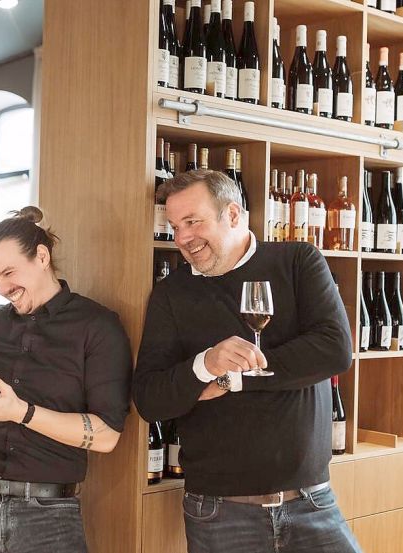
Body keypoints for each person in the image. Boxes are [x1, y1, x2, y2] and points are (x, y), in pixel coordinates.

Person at [132, 170, 361, 552]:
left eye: (193, 222)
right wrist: (205, 363)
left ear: (233, 215)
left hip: (311, 501)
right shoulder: (171, 294)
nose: (183, 238)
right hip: (219, 512)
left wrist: (228, 382)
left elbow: (334, 349)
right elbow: (150, 398)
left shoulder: (299, 261)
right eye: (175, 226)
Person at [0, 206, 133, 553]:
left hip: (47, 518)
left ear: (42, 256)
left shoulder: (97, 327)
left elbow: (105, 437)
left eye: (9, 272)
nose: (3, 288)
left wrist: (22, 412)